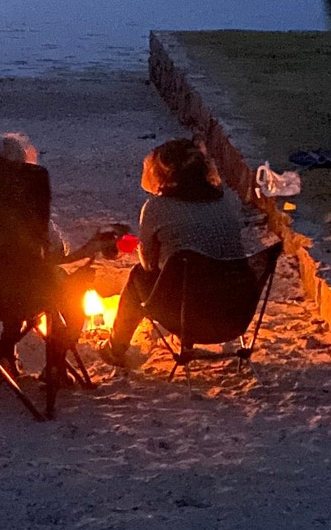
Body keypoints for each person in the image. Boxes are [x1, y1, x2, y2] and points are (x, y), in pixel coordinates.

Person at [104, 137, 272, 367]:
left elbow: (149, 265)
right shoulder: (226, 200)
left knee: (138, 277)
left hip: (187, 314)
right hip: (234, 311)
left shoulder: (156, 208)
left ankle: (116, 347)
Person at [0, 133, 111, 379]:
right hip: (27, 290)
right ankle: (55, 362)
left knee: (12, 281)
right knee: (66, 293)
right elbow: (57, 252)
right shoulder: (30, 212)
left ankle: (6, 356)